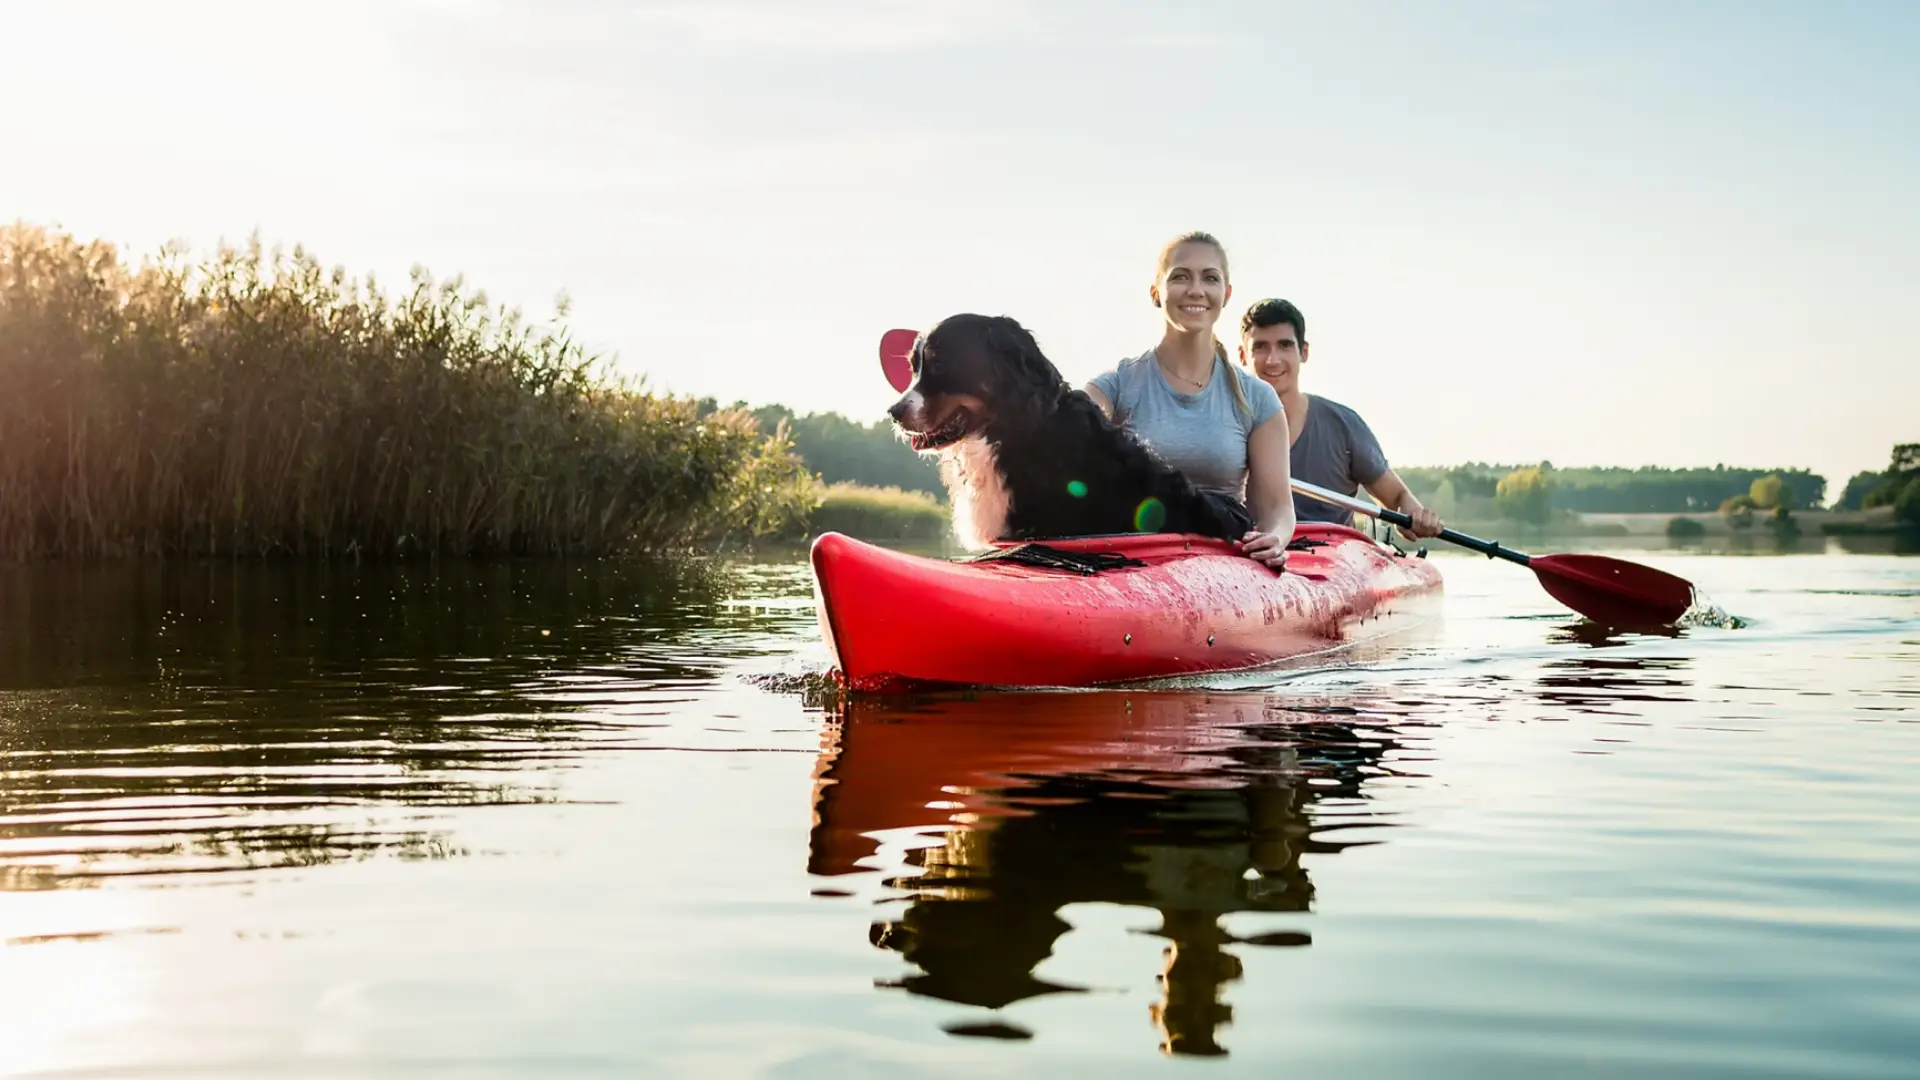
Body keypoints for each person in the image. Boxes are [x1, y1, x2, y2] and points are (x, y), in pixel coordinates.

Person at [1083, 232, 1296, 570]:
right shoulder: (1118, 384)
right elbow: (1072, 419)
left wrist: (1276, 538)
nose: (1196, 289)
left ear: (1225, 295)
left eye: (1210, 278)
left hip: (1220, 557)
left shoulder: (1258, 398)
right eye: (1180, 276)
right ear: (1156, 292)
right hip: (1137, 558)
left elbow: (1277, 509)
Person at [1236, 298, 1444, 540]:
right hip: (1249, 558)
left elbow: (1398, 498)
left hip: (1332, 567)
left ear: (1304, 352)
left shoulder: (1343, 425)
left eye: (1285, 345)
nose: (1272, 360)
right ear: (1242, 355)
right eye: (1260, 347)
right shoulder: (1223, 425)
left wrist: (1413, 516)